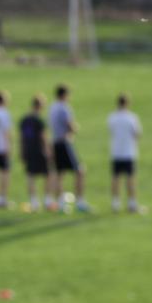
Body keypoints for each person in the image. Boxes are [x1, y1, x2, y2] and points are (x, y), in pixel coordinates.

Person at [50, 84, 91, 212]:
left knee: (59, 174)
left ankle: (60, 203)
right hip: (65, 142)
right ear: (65, 95)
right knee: (80, 171)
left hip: (55, 142)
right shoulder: (64, 108)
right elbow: (70, 126)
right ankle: (80, 201)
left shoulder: (53, 107)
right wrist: (75, 128)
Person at [19, 95, 57, 212]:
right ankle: (47, 200)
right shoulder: (39, 120)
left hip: (28, 150)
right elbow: (43, 137)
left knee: (31, 176)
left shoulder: (24, 120)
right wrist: (49, 151)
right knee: (48, 174)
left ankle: (34, 201)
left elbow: (22, 138)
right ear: (40, 106)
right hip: (39, 150)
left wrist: (21, 151)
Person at [108, 93, 142, 213]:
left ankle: (115, 203)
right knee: (130, 178)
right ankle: (132, 203)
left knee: (116, 178)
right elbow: (137, 134)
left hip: (116, 152)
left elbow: (111, 131)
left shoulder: (112, 117)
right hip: (128, 152)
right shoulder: (132, 118)